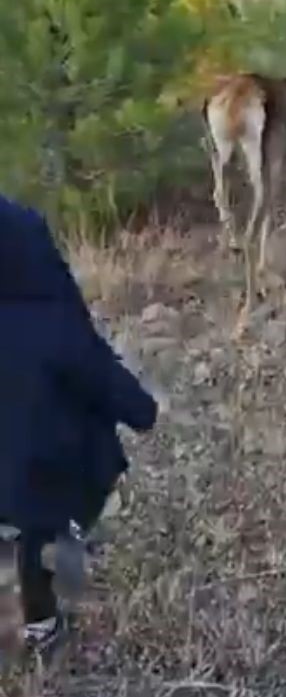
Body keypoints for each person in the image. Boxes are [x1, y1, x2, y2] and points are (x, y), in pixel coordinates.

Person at [0, 193, 157, 653]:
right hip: (43, 477)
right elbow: (101, 378)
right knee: (41, 534)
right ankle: (41, 623)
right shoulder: (50, 319)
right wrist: (143, 411)